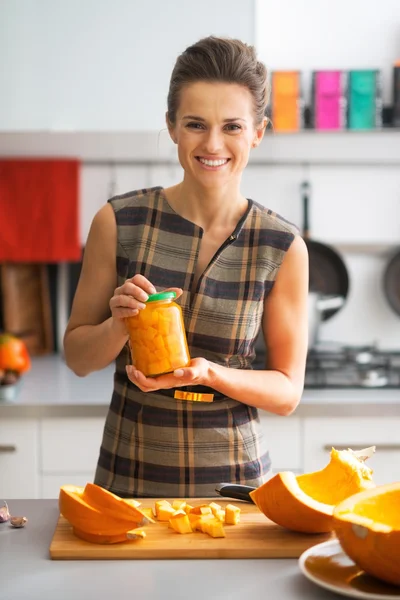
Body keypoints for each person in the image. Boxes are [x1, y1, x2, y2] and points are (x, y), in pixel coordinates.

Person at [63, 36, 309, 499]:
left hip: (237, 487)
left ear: (257, 132)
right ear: (172, 127)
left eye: (232, 126)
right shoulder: (119, 222)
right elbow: (77, 358)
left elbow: (286, 392)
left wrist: (210, 374)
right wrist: (118, 324)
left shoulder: (282, 245)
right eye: (195, 124)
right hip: (129, 480)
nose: (212, 144)